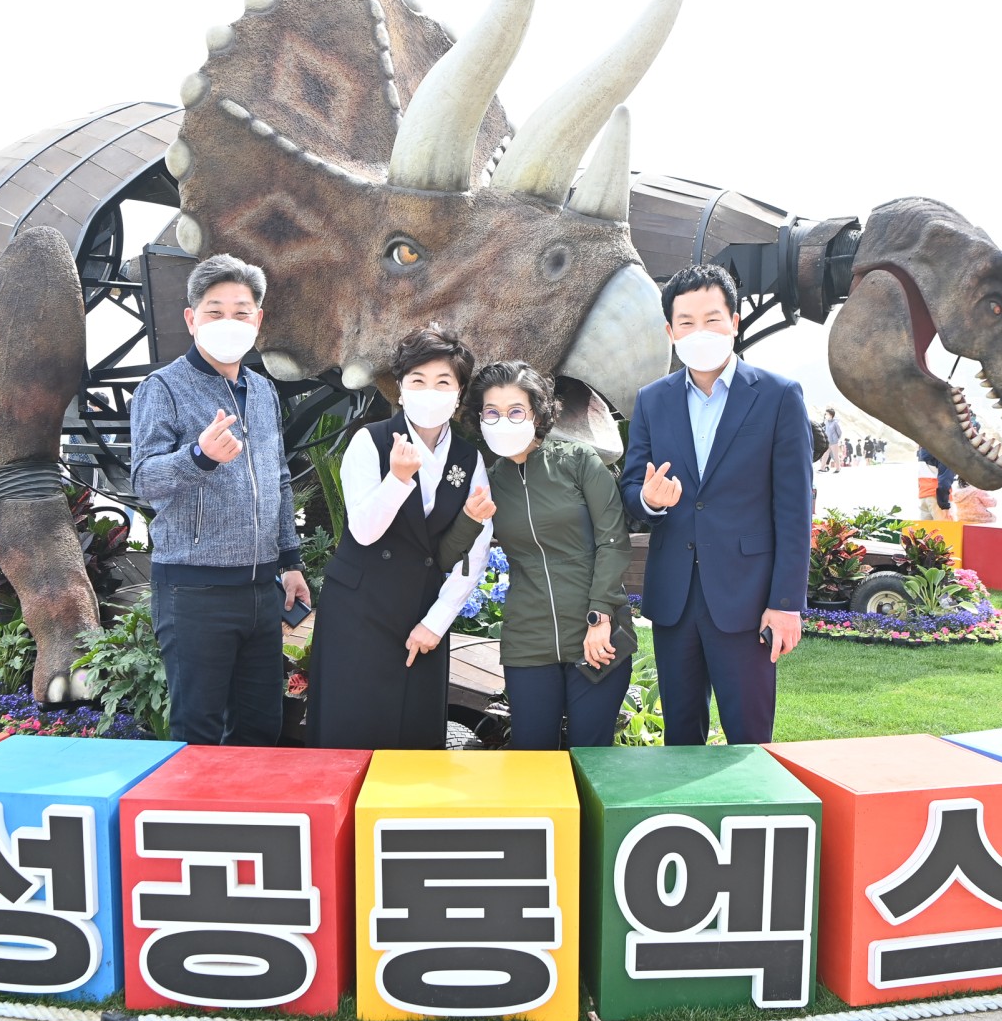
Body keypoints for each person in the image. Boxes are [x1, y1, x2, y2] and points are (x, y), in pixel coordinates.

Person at [621, 264, 811, 747]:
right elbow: (631, 488)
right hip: (675, 598)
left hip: (748, 598)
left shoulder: (778, 396)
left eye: (712, 319)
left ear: (734, 322)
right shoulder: (652, 401)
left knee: (749, 739)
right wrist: (649, 500)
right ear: (670, 332)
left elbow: (794, 511)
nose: (699, 331)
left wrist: (785, 604)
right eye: (686, 322)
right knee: (681, 737)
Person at [130, 253, 310, 747]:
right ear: (191, 319)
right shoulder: (162, 388)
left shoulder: (263, 391)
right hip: (194, 591)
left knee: (261, 727)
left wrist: (290, 561)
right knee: (199, 733)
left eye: (240, 311)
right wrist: (199, 457)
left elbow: (278, 478)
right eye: (214, 311)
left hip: (261, 590)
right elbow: (143, 480)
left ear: (258, 321)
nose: (228, 321)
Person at [307, 326, 494, 750]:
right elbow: (363, 530)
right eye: (418, 380)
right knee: (350, 728)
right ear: (401, 389)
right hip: (359, 606)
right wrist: (397, 479)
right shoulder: (369, 442)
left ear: (459, 394)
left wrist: (437, 620)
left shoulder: (468, 458)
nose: (430, 391)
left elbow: (477, 544)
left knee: (414, 735)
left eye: (443, 382)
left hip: (422, 610)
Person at [468, 361, 632, 750]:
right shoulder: (489, 483)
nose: (503, 421)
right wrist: (468, 520)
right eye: (492, 412)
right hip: (528, 642)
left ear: (538, 415)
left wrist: (600, 616)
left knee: (590, 757)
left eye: (515, 411)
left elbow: (612, 540)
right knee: (533, 758)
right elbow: (454, 553)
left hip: (597, 634)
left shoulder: (578, 460)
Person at [916, 446, 954, 520]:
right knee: (945, 526)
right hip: (937, 497)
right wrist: (944, 505)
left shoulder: (922, 451)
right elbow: (944, 480)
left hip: (923, 495)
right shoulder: (945, 453)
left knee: (925, 527)